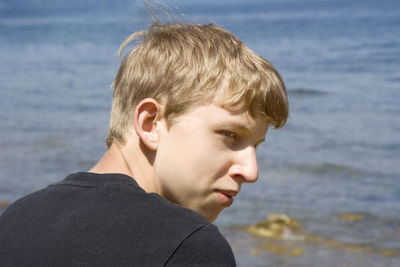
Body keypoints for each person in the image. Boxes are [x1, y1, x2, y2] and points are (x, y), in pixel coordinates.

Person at [0, 22, 288, 266]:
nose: (251, 171)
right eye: (229, 135)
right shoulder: (188, 246)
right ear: (151, 123)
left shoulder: (15, 220)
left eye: (256, 145)